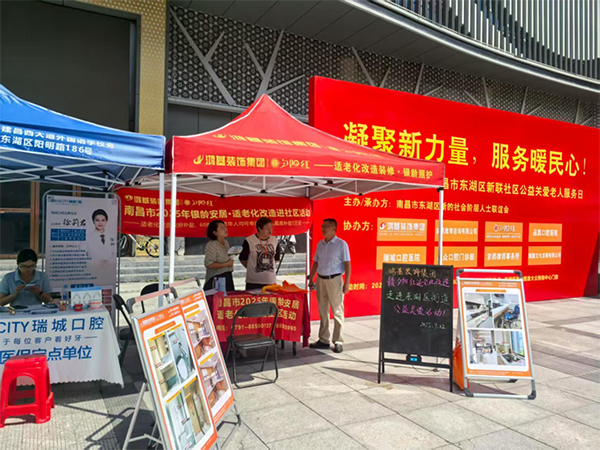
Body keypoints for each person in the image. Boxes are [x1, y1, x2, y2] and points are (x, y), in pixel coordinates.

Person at [307, 219, 351, 353]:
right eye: (322, 226)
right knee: (322, 310)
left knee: (337, 310)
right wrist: (311, 278)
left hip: (335, 280)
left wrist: (347, 283)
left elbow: (347, 264)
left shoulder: (341, 244)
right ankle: (324, 339)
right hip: (321, 280)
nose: (323, 229)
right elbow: (316, 262)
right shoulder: (320, 244)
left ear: (334, 229)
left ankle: (338, 340)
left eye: (326, 227)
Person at [239, 217, 281, 290]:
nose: (270, 230)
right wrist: (252, 267)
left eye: (271, 227)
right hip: (253, 282)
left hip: (270, 281)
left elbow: (276, 259)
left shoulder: (274, 240)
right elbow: (243, 259)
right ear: (260, 228)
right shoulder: (249, 241)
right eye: (267, 228)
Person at [204, 220, 235, 291]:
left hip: (228, 276)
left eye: (225, 227)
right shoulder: (212, 245)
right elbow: (209, 264)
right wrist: (226, 264)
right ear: (215, 232)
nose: (225, 229)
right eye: (221, 228)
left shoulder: (226, 242)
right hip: (216, 279)